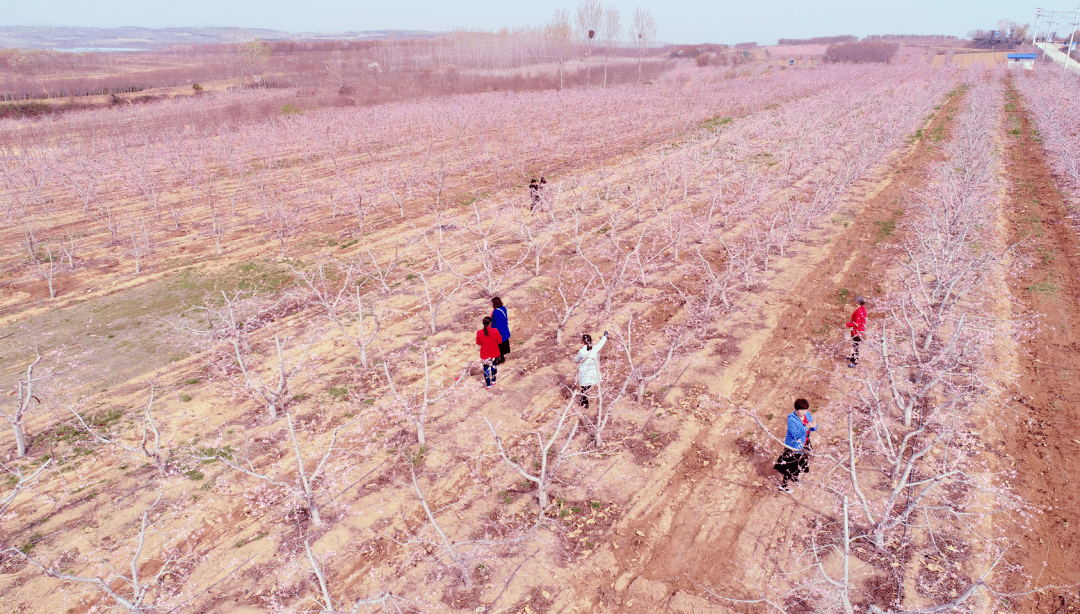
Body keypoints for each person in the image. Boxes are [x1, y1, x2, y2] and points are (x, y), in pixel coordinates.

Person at [774, 398, 816, 493]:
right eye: (802, 409)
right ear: (796, 409)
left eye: (806, 409)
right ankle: (784, 486)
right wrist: (807, 427)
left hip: (805, 443)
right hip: (794, 446)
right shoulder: (791, 419)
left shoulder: (807, 415)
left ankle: (795, 477)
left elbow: (813, 426)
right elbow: (795, 434)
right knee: (791, 465)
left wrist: (814, 425)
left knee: (803, 462)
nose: (804, 412)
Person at [573, 331, 607, 409]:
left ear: (583, 341)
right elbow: (601, 343)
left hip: (583, 371)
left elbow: (576, 360)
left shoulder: (581, 351)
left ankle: (584, 402)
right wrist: (605, 336)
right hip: (592, 371)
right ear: (591, 340)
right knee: (587, 386)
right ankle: (584, 401)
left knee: (584, 387)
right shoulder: (595, 348)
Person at [476, 316, 503, 389]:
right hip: (494, 353)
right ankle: (493, 381)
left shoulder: (479, 332)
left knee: (486, 369)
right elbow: (500, 341)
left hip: (485, 354)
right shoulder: (495, 331)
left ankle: (488, 385)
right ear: (490, 323)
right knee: (494, 366)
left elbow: (478, 343)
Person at [845, 296, 867, 368]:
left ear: (858, 302)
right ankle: (853, 356)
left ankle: (855, 362)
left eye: (856, 300)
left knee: (856, 346)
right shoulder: (863, 309)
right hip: (860, 330)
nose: (854, 301)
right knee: (855, 345)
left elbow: (856, 323)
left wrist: (847, 324)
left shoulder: (858, 311)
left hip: (857, 331)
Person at [491, 297, 511, 365]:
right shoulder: (503, 308)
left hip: (499, 332)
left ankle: (499, 360)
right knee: (503, 345)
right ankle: (502, 358)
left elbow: (494, 323)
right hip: (505, 330)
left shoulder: (496, 312)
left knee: (498, 347)